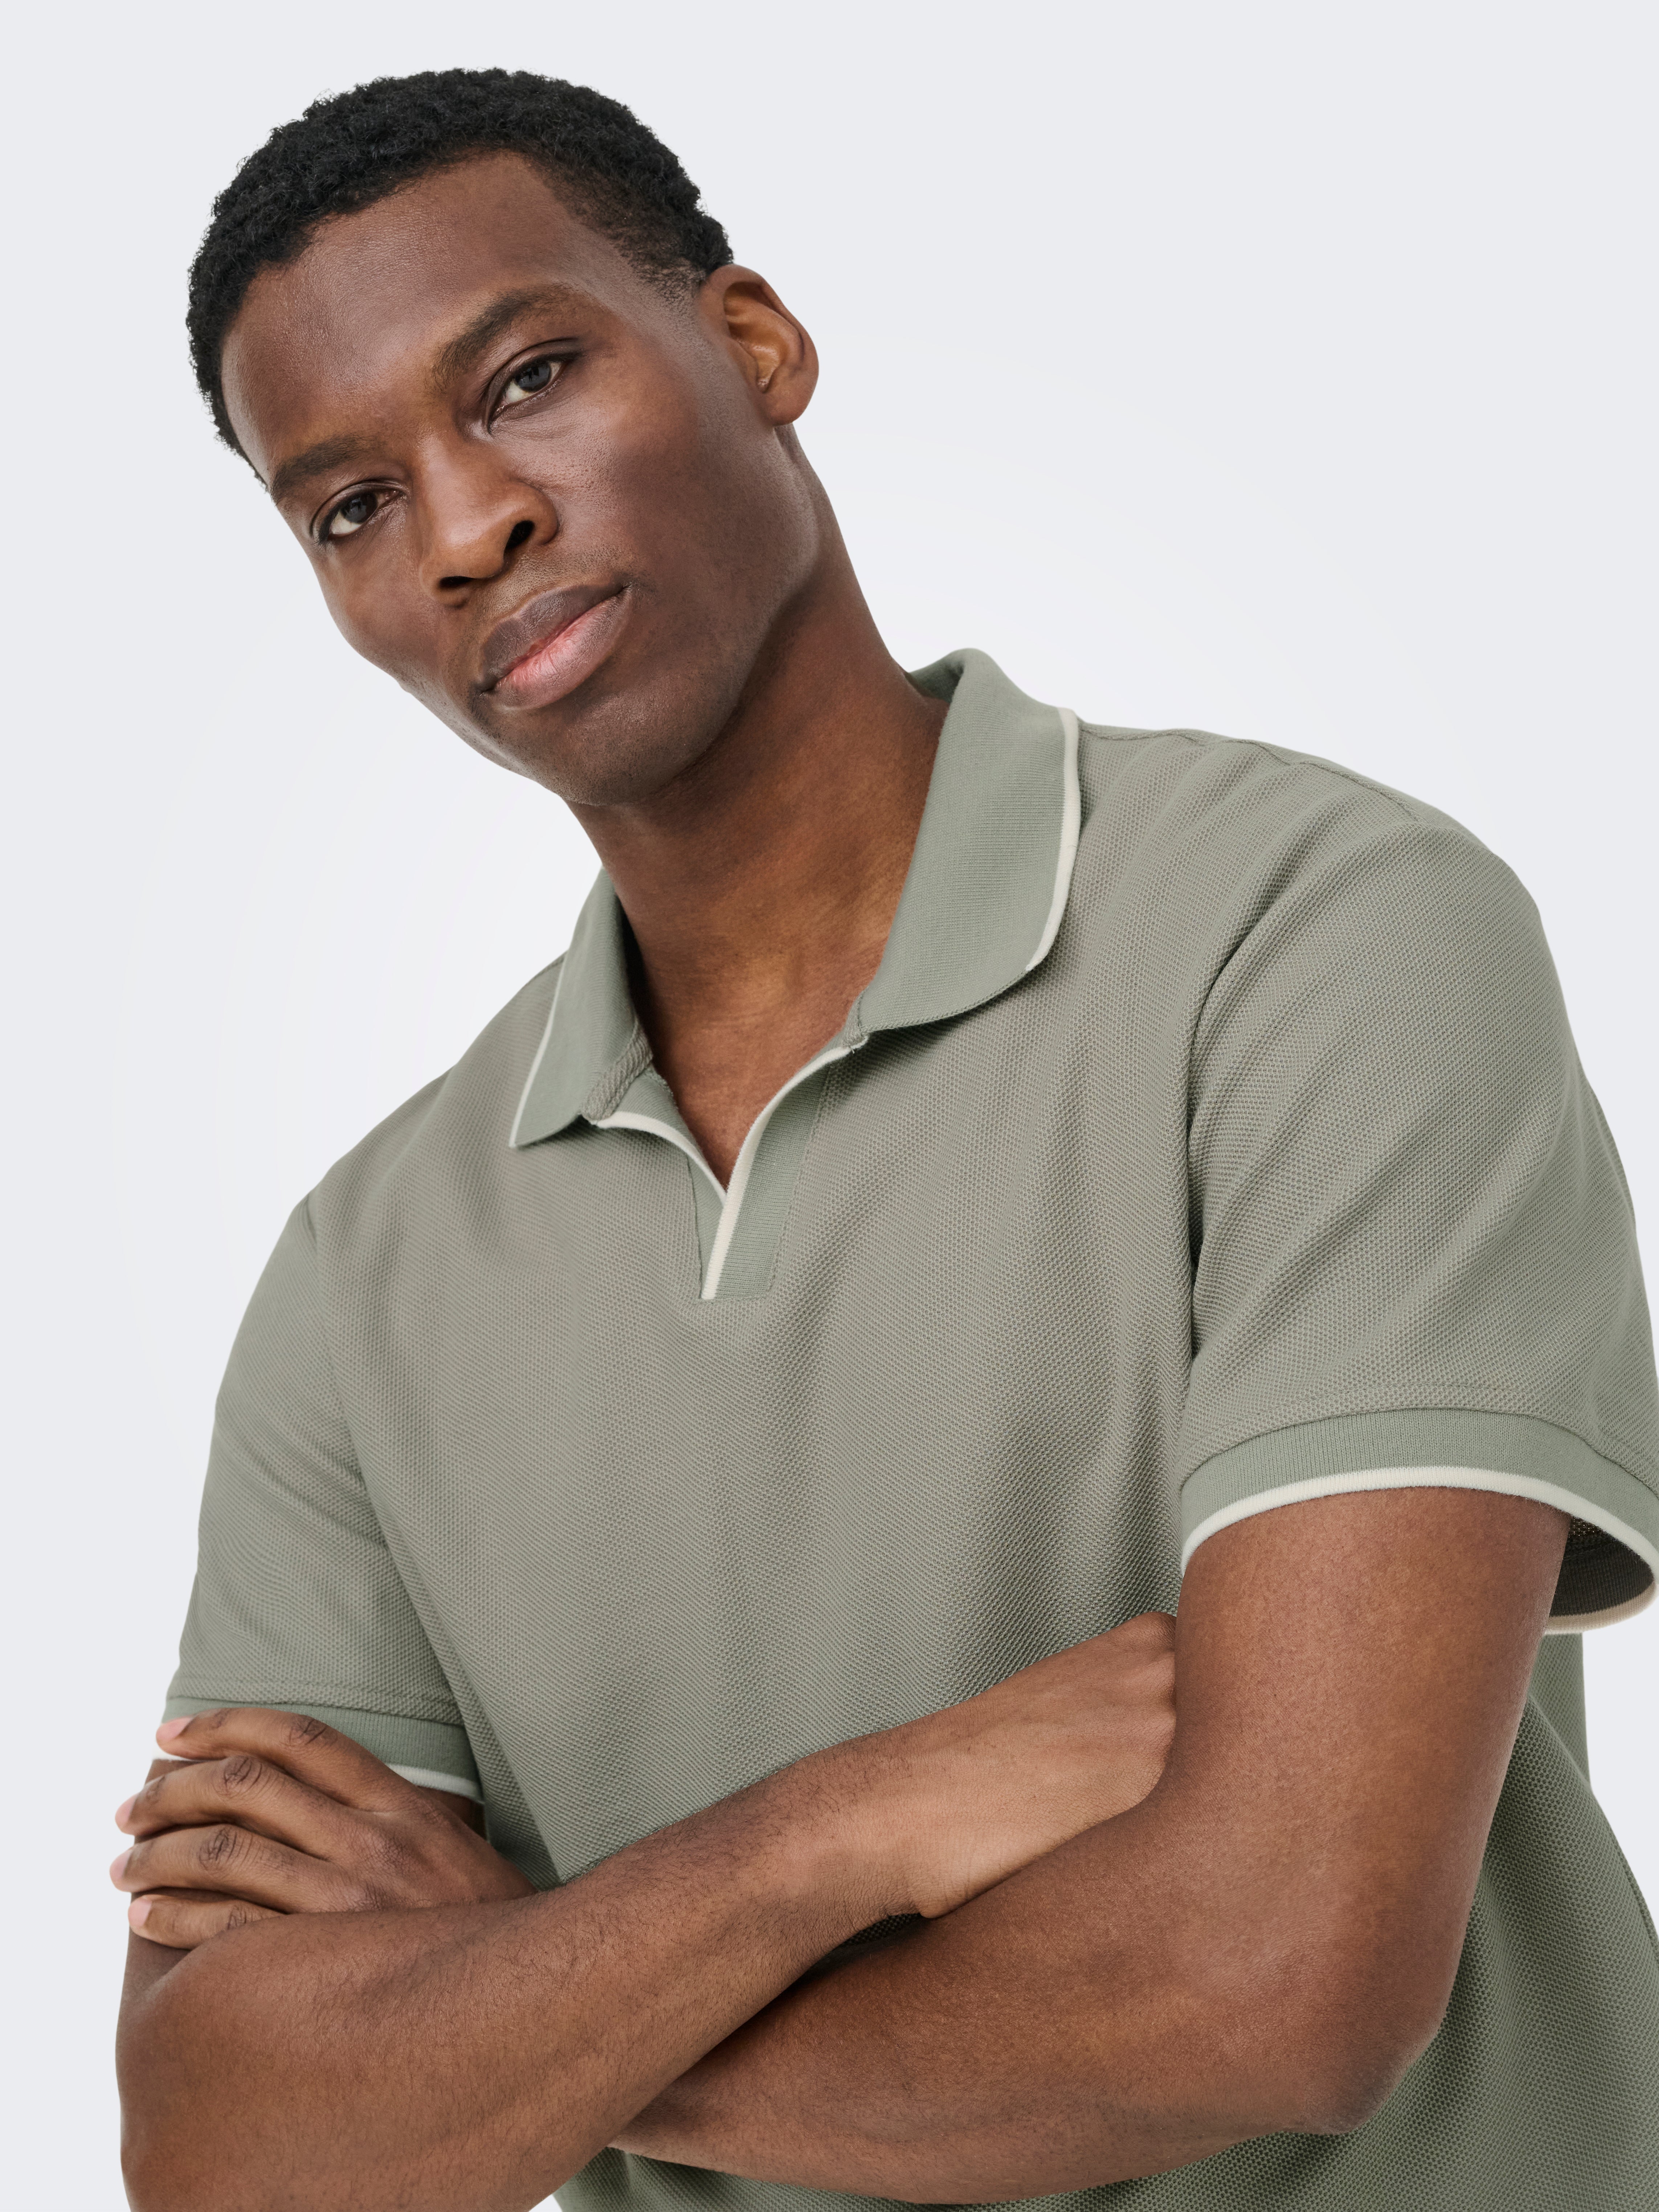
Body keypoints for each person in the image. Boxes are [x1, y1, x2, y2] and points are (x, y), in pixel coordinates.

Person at [113, 66, 1659, 2212]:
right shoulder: (364, 1271)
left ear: (754, 345)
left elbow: (1281, 1984)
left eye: (529, 379)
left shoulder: (1321, 937)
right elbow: (222, 2148)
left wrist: (513, 2008)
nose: (465, 531)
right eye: (351, 507)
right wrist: (841, 1831)